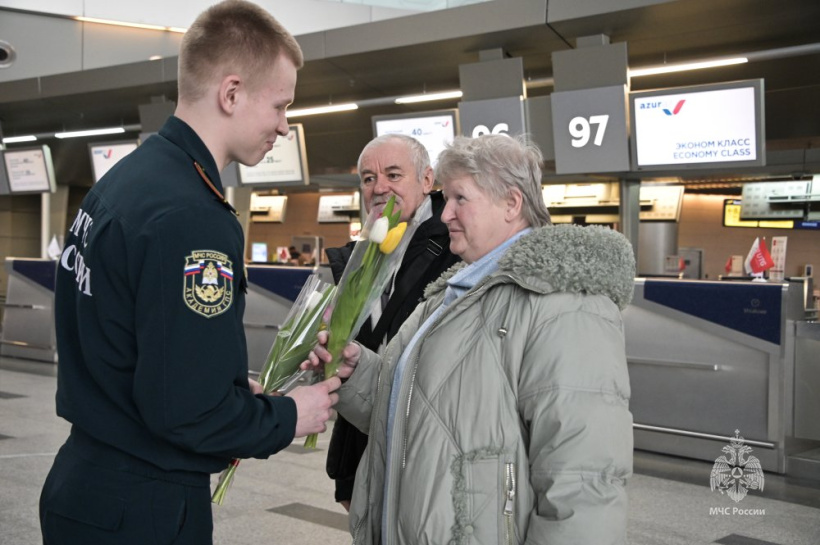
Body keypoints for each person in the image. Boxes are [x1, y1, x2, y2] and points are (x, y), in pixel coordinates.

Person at [39, 2, 340, 544]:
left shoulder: (127, 182)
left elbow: (130, 342)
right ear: (231, 93)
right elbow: (188, 414)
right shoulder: (192, 216)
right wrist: (288, 415)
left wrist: (220, 381)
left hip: (87, 485)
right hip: (142, 507)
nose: (284, 125)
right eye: (280, 105)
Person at [306, 134, 636, 544]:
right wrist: (357, 372)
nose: (445, 215)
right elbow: (419, 407)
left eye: (461, 199)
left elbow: (584, 478)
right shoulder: (451, 293)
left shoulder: (566, 304)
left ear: (512, 204)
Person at [324, 133, 460, 510]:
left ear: (427, 180)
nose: (379, 187)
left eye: (394, 175)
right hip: (361, 447)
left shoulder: (455, 247)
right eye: (368, 178)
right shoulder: (359, 255)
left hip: (421, 449)